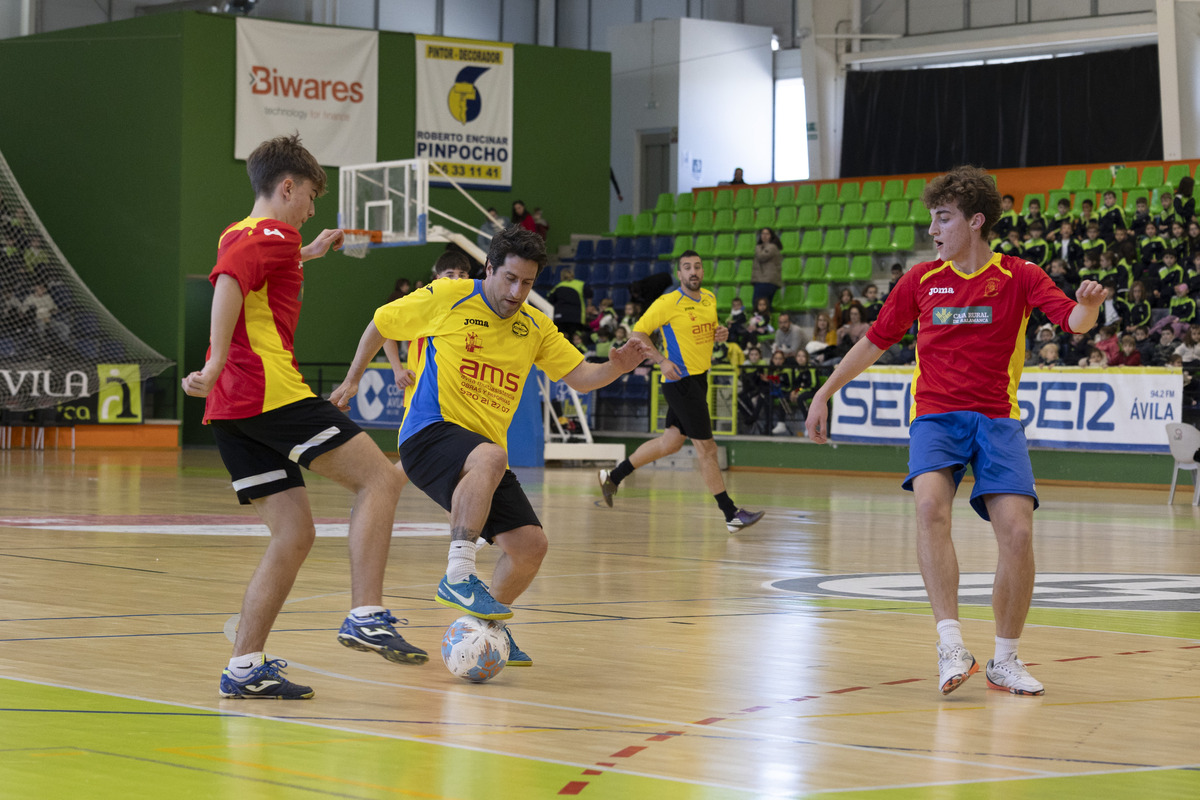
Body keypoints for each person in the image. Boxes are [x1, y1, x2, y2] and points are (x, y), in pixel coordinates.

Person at [804, 165, 1102, 698]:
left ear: (976, 221)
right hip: (936, 415)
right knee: (929, 509)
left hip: (996, 418)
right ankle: (950, 644)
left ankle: (1004, 660)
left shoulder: (1021, 276)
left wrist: (1088, 305)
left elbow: (1074, 323)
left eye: (943, 219)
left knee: (1017, 533)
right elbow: (873, 343)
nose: (934, 230)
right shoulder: (919, 281)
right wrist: (825, 392)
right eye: (933, 220)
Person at [330, 226, 653, 666]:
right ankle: (459, 574)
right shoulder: (450, 297)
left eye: (527, 283)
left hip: (480, 457)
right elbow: (381, 322)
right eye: (510, 279)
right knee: (492, 455)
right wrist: (351, 380)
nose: (518, 291)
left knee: (530, 546)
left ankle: (483, 632)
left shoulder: (535, 325)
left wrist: (615, 367)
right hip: (428, 432)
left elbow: (581, 376)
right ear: (490, 269)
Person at [181, 134, 425, 701]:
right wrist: (215, 359)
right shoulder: (270, 235)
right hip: (271, 394)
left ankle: (244, 666)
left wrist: (310, 252)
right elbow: (230, 281)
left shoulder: (242, 231)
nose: (312, 209)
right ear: (286, 186)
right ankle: (366, 612)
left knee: (293, 533)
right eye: (311, 196)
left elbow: (248, 268)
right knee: (381, 478)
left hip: (232, 412)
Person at [597, 251, 764, 533]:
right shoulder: (667, 303)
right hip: (680, 381)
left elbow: (705, 332)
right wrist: (661, 360)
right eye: (687, 267)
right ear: (679, 274)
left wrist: (718, 334)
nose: (693, 271)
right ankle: (730, 514)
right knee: (706, 448)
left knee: (671, 443)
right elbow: (638, 334)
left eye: (697, 266)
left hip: (700, 379)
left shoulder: (709, 299)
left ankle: (613, 477)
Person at [548, 266, 588, 341]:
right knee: (574, 340)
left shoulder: (557, 287)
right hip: (576, 317)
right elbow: (589, 294)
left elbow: (549, 299)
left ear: (562, 276)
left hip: (560, 317)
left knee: (561, 339)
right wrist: (589, 305)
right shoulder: (581, 284)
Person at [751, 227, 783, 311]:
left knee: (759, 305)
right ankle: (765, 322)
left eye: (767, 234)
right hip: (762, 280)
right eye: (762, 233)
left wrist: (757, 248)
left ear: (771, 236)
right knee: (763, 306)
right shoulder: (764, 247)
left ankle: (762, 323)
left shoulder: (771, 247)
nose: (764, 236)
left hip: (766, 281)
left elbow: (762, 257)